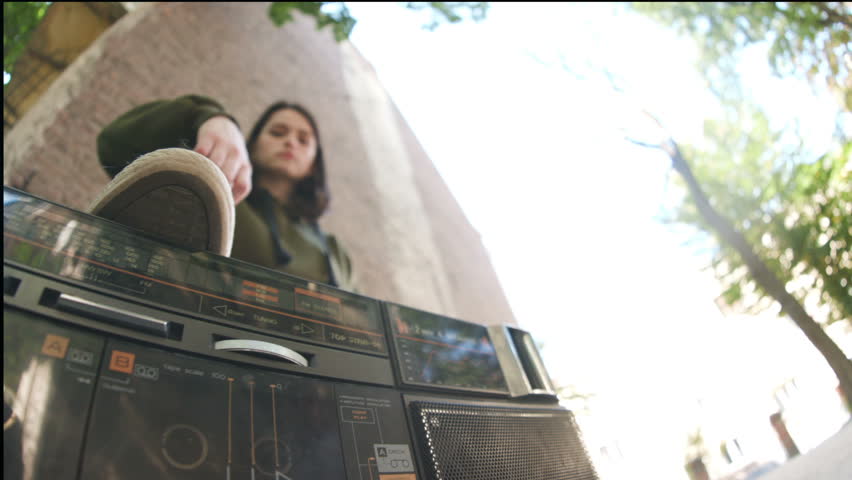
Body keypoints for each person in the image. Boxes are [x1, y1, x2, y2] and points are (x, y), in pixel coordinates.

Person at [92, 95, 356, 291]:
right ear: (252, 145)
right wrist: (213, 119)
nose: (290, 142)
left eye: (303, 140)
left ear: (314, 165)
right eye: (277, 132)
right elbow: (115, 144)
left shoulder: (335, 253)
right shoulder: (217, 193)